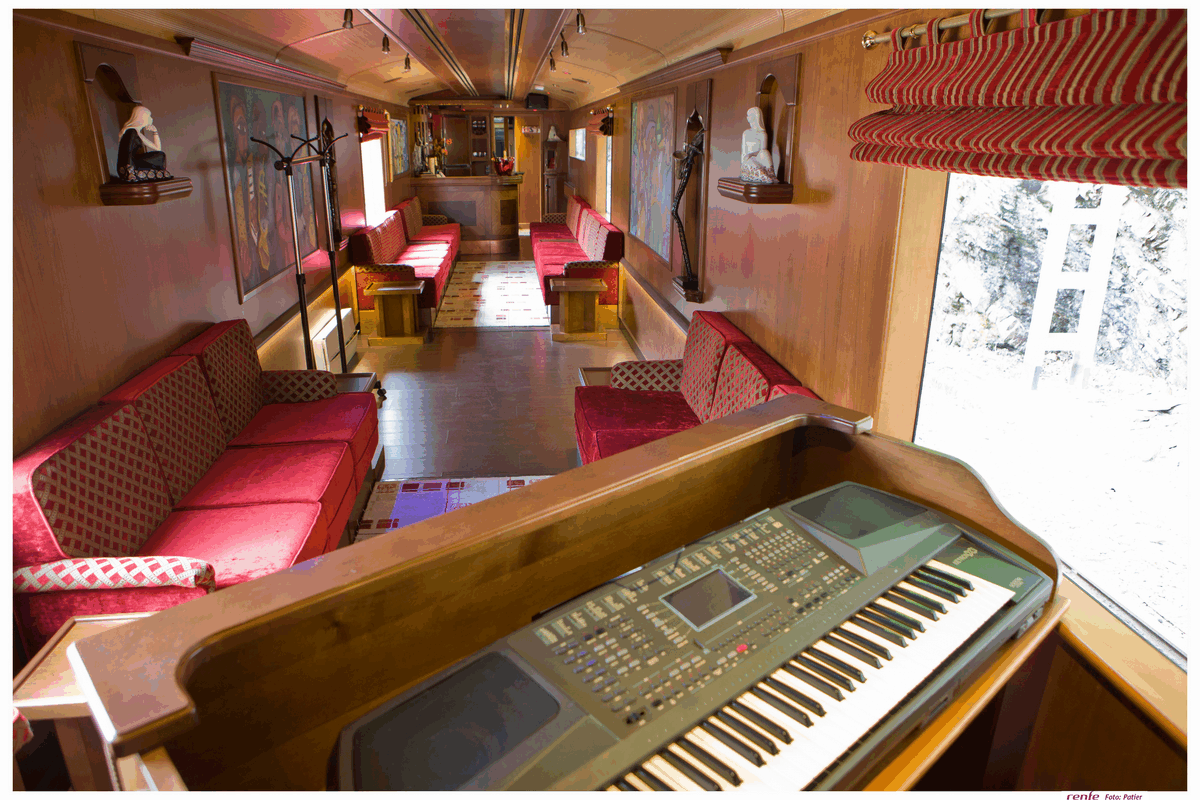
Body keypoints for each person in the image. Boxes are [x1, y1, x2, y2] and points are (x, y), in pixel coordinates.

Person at [116, 105, 172, 182]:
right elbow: (127, 154)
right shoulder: (131, 132)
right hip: (131, 165)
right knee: (160, 156)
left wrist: (155, 132)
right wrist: (129, 170)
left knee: (160, 155)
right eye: (149, 116)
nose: (151, 119)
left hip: (135, 162)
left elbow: (157, 148)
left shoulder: (138, 133)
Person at [740, 106, 776, 183]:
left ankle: (770, 175)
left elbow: (762, 151)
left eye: (749, 115)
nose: (747, 117)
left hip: (758, 158)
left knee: (765, 152)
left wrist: (752, 154)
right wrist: (747, 158)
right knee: (750, 160)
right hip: (748, 159)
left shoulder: (762, 134)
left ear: (756, 116)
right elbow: (744, 152)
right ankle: (764, 177)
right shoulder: (746, 133)